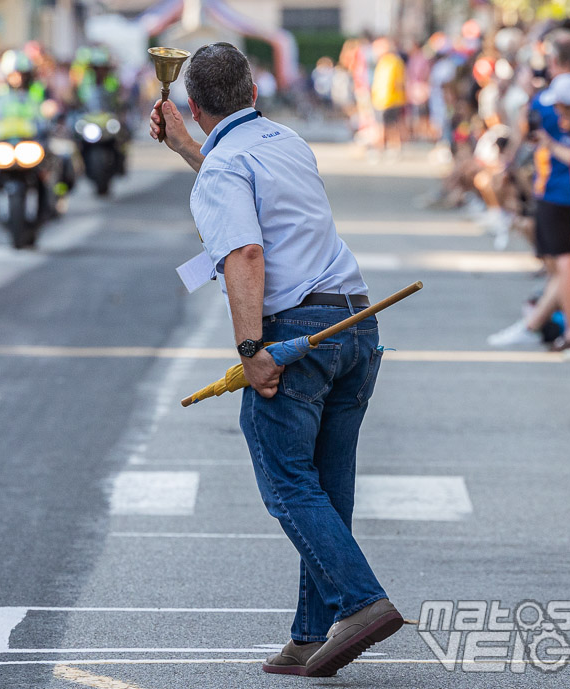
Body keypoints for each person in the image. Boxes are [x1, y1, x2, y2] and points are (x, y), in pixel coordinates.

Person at [148, 43, 403, 678]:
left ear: (196, 105)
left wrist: (250, 350)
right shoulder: (286, 141)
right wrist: (188, 147)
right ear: (255, 92)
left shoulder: (223, 169)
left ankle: (363, 602)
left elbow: (245, 254)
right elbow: (241, 177)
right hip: (354, 321)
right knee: (327, 483)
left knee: (288, 483)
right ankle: (313, 633)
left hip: (299, 336)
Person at [488, 31, 570, 349]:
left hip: (557, 190)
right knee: (565, 264)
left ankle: (562, 327)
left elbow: (523, 131)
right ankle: (555, 323)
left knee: (563, 264)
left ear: (555, 61)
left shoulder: (543, 101)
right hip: (569, 189)